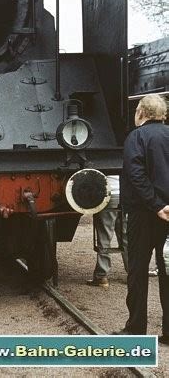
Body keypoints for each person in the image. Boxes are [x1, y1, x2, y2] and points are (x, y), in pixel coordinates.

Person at [115, 94, 169, 345]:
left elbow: (136, 176)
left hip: (143, 214)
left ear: (141, 113)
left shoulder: (136, 137)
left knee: (137, 270)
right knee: (167, 270)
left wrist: (156, 205)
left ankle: (136, 328)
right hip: (168, 214)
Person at [86, 176, 128, 287]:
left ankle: (101, 275)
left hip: (107, 193)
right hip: (124, 194)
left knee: (104, 235)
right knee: (126, 236)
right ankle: (132, 273)